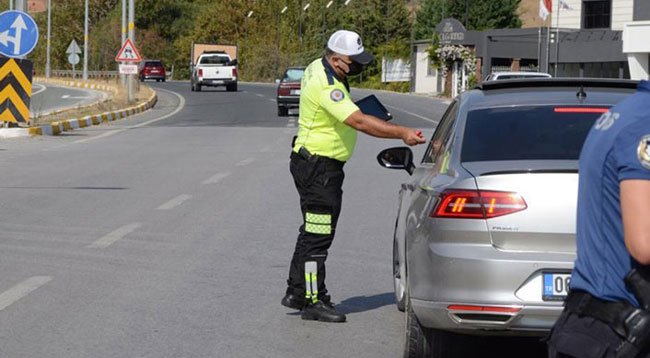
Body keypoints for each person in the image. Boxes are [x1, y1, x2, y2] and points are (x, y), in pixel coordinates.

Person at [281, 30, 426, 323]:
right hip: (319, 169)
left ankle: (297, 290)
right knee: (318, 237)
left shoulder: (319, 67)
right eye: (352, 61)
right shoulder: (326, 85)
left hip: (314, 164)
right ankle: (313, 300)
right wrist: (402, 133)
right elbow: (358, 121)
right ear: (335, 59)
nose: (357, 66)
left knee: (311, 230)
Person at [547, 80, 650, 357]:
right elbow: (644, 243)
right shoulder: (644, 126)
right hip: (619, 331)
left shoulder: (629, 113)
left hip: (598, 327)